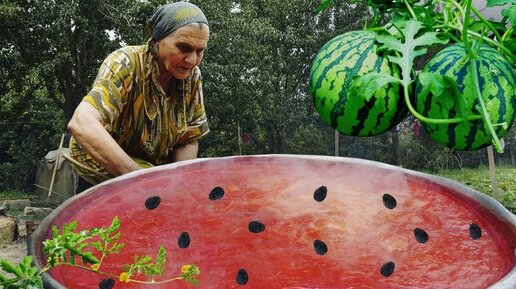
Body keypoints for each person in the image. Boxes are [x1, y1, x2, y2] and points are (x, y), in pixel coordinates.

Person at [66, 1, 210, 186]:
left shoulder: (192, 77)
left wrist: (178, 185)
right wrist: (142, 180)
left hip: (151, 173)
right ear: (158, 39)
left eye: (200, 51)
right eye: (183, 47)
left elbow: (187, 141)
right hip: (101, 170)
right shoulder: (125, 63)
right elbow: (81, 123)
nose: (192, 60)